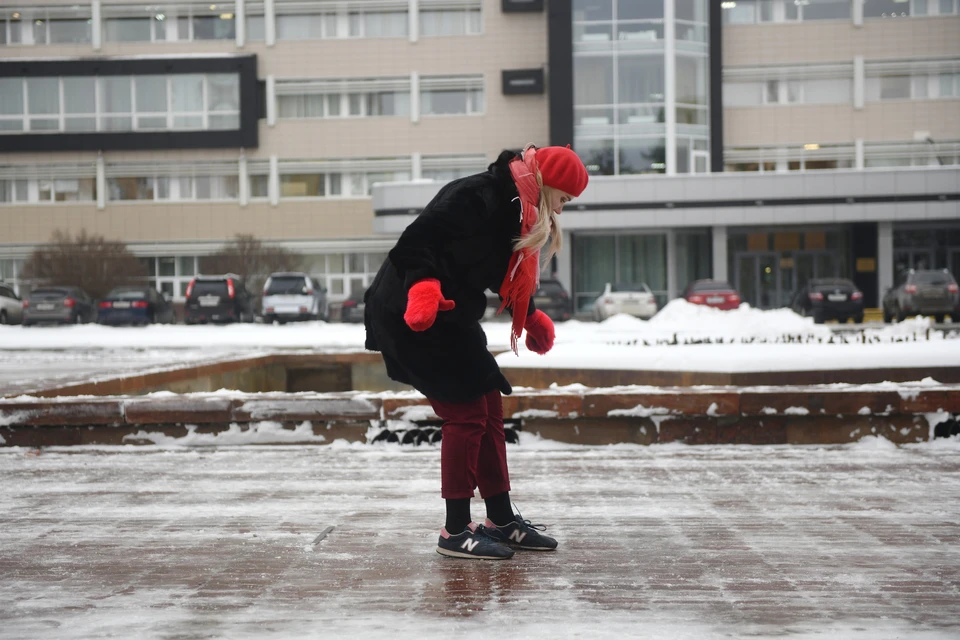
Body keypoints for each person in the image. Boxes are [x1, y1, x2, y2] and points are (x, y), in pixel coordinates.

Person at [364, 144, 589, 560]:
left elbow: (499, 272)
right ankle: (455, 530)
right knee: (465, 414)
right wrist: (424, 286)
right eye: (565, 197)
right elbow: (419, 238)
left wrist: (530, 315)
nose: (563, 207)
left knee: (488, 405)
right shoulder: (480, 195)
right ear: (550, 181)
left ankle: (500, 519)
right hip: (410, 309)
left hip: (452, 315)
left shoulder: (518, 208)